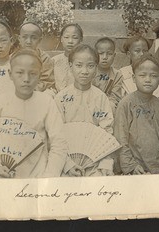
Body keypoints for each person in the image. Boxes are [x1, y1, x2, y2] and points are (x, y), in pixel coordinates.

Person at [0, 49, 68, 178]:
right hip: (4, 173)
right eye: (19, 73)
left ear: (40, 75)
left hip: (39, 173)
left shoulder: (47, 102)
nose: (26, 79)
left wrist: (49, 175)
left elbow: (58, 142)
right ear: (10, 74)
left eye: (33, 73)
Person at [114, 54, 159, 175]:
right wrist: (131, 165)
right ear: (134, 78)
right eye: (142, 75)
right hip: (137, 171)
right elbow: (120, 138)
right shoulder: (126, 104)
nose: (148, 79)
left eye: (154, 76)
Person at [55, 44, 115, 177]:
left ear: (96, 68)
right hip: (65, 158)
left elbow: (107, 132)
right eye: (79, 65)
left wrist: (104, 163)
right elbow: (56, 135)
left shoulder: (101, 98)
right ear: (70, 67)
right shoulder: (61, 98)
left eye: (90, 66)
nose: (84, 71)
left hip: (95, 160)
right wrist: (68, 164)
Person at [120, 35, 159, 102]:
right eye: (137, 51)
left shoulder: (154, 70)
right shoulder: (122, 73)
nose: (142, 54)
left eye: (145, 51)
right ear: (129, 54)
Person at [18, 22, 56, 93]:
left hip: (37, 91)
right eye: (25, 37)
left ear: (39, 40)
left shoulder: (44, 58)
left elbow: (46, 81)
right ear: (19, 38)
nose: (28, 41)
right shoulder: (13, 58)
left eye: (34, 38)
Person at [93, 37, 123, 114]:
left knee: (112, 106)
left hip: (108, 102)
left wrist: (104, 102)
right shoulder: (91, 71)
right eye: (101, 53)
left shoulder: (117, 74)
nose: (105, 57)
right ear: (95, 55)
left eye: (109, 54)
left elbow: (115, 95)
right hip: (91, 100)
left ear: (114, 55)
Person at [52, 23, 83, 92]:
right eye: (66, 37)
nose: (70, 41)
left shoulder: (84, 62)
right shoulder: (54, 61)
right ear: (61, 39)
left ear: (81, 40)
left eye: (75, 38)